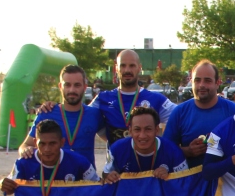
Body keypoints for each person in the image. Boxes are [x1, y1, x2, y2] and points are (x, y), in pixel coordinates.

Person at [38, 50, 177, 146]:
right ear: (116, 68)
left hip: (148, 168)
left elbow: (182, 115)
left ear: (139, 68)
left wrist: (164, 142)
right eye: (123, 65)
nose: (127, 70)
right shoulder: (102, 99)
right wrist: (53, 106)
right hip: (115, 171)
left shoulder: (156, 99)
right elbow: (79, 114)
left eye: (132, 66)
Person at [20, 65, 105, 166]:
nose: (72, 90)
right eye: (67, 85)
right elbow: (25, 145)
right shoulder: (47, 113)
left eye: (77, 85)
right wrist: (25, 150)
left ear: (85, 87)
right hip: (55, 175)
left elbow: (112, 140)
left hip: (86, 175)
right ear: (60, 86)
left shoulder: (94, 114)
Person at [161, 60, 235, 168]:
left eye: (207, 80)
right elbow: (165, 151)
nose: (201, 85)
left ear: (217, 83)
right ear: (191, 82)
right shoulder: (179, 112)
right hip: (190, 177)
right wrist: (188, 151)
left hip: (226, 177)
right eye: (197, 80)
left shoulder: (233, 111)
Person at [0, 120, 98, 196]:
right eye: (42, 144)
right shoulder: (23, 163)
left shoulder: (79, 162)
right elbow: (8, 188)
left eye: (52, 143)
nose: (47, 149)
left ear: (62, 143)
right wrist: (2, 183)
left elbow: (98, 187)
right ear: (35, 143)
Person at [100, 106, 188, 183]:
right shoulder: (116, 149)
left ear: (157, 130)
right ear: (130, 131)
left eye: (148, 129)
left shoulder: (173, 151)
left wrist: (170, 177)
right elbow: (106, 173)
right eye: (137, 129)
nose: (142, 135)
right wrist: (110, 176)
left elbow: (185, 183)